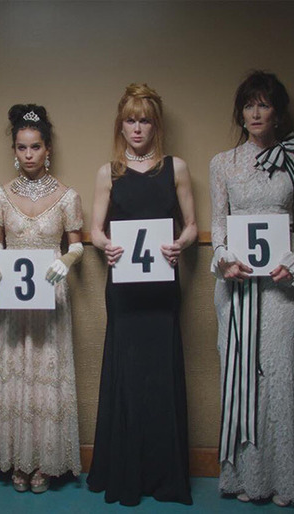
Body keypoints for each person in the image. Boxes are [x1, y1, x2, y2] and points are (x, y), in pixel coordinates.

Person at [211, 71, 294, 507]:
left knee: (281, 377)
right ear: (240, 113)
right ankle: (247, 479)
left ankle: (286, 481)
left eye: (264, 104)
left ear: (278, 113)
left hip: (282, 289)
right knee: (241, 378)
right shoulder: (222, 163)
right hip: (236, 287)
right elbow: (218, 223)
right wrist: (222, 256)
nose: (255, 113)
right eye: (248, 105)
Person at [86, 84, 196, 506]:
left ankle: (164, 475)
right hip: (125, 291)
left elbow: (192, 225)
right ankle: (126, 471)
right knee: (128, 377)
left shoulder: (176, 168)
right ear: (120, 125)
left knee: (160, 378)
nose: (137, 128)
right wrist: (105, 245)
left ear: (156, 125)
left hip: (162, 290)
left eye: (144, 120)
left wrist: (181, 244)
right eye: (130, 120)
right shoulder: (108, 172)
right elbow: (95, 230)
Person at [0, 104, 83, 494]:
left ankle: (44, 462)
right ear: (14, 150)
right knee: (17, 373)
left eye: (35, 147)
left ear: (47, 149)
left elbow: (77, 245)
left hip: (51, 294)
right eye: (22, 147)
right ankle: (17, 460)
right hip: (13, 296)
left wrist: (67, 261)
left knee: (45, 375)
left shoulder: (68, 196)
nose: (28, 154)